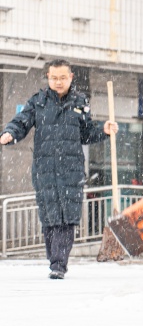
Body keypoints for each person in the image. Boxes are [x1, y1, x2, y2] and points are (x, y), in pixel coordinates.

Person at [0, 60, 118, 279]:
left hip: (71, 169)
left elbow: (86, 133)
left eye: (62, 77)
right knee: (50, 218)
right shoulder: (38, 101)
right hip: (44, 170)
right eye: (54, 78)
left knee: (68, 218)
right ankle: (55, 259)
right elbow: (21, 122)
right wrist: (10, 133)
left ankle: (59, 264)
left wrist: (104, 129)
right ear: (48, 77)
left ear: (71, 77)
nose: (58, 82)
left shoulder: (80, 102)